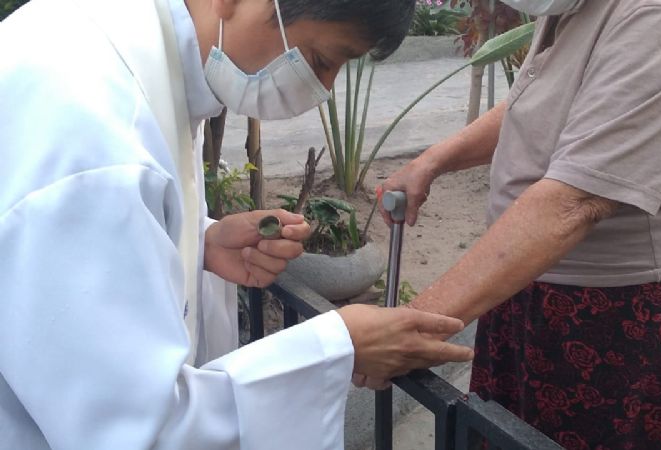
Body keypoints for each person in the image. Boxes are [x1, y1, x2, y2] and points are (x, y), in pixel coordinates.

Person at [0, 0, 474, 448]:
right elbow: (131, 430)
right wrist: (337, 348)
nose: (324, 89)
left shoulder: (128, 47)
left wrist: (199, 240)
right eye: (321, 58)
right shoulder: (94, 130)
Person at [379, 0, 661, 448]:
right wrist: (434, 160)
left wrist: (407, 328)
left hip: (625, 307)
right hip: (530, 270)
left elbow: (576, 199)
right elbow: (543, 101)